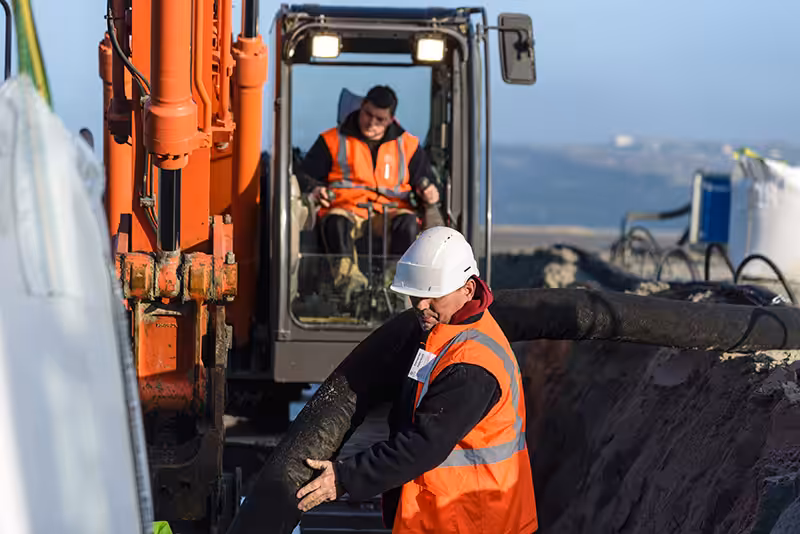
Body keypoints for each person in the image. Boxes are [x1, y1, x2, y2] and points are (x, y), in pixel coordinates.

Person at [296, 227, 538, 533]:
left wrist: (346, 478)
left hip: (474, 520)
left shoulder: (472, 364)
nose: (421, 305)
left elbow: (422, 444)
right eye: (416, 294)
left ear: (467, 290)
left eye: (432, 295)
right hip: (450, 514)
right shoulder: (444, 332)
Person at [297, 85, 440, 294]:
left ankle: (395, 287)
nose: (371, 122)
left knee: (408, 224)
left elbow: (425, 178)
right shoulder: (332, 140)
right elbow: (304, 176)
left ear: (391, 119)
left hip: (390, 212)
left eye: (379, 119)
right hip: (347, 209)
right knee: (336, 223)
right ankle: (351, 288)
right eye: (368, 114)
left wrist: (429, 190)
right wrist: (315, 189)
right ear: (362, 106)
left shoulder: (408, 145)